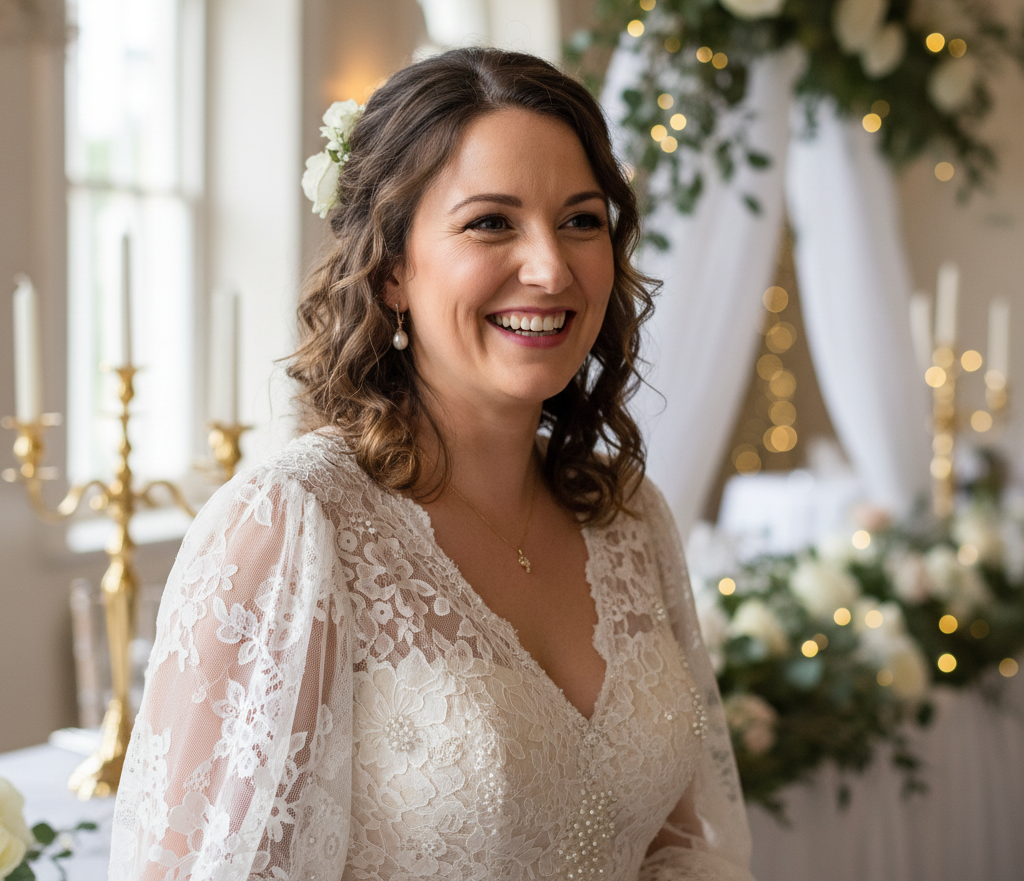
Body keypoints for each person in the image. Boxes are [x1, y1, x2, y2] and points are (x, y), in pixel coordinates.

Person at [109, 48, 755, 880]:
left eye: (581, 221)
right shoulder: (294, 526)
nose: (551, 268)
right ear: (390, 272)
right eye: (491, 223)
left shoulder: (626, 512)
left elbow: (680, 845)